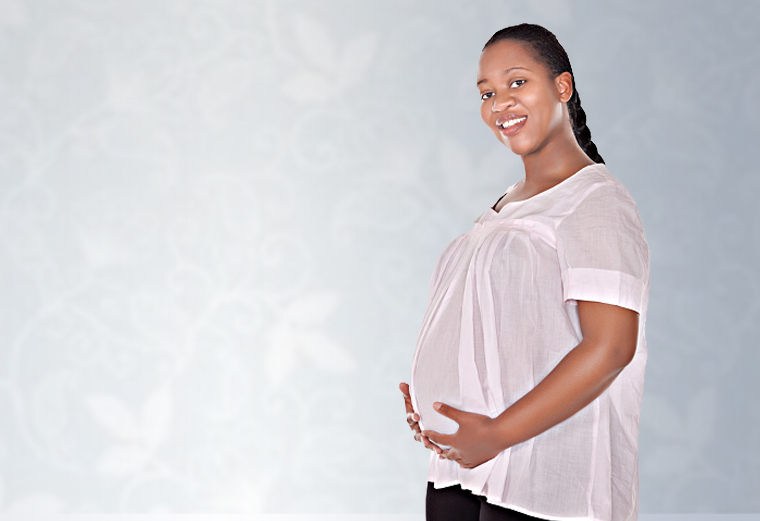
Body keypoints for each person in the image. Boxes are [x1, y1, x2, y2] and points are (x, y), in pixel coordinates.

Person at [398, 23, 650, 521]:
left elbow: (611, 347)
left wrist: (497, 433)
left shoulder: (595, 202)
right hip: (461, 469)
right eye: (487, 93)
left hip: (545, 478)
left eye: (517, 83)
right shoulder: (504, 205)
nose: (499, 104)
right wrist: (434, 392)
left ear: (562, 86)